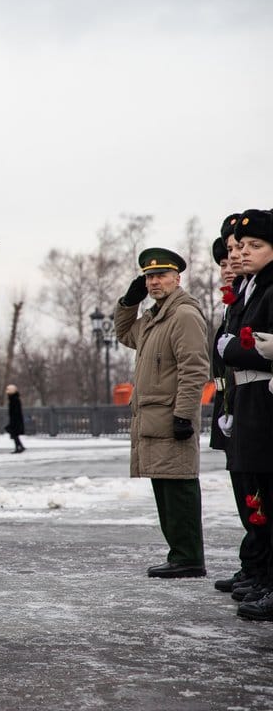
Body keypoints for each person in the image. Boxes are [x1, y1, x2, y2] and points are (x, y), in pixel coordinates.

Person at [114, 246, 211, 579]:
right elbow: (126, 335)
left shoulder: (183, 314)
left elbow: (195, 367)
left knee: (180, 486)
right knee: (165, 486)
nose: (154, 282)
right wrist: (128, 303)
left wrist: (184, 413)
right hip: (155, 418)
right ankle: (180, 554)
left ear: (177, 278)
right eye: (149, 277)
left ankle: (188, 557)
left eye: (161, 275)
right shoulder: (156, 316)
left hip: (171, 417)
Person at [217, 210, 273, 619]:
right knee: (256, 491)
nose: (241, 254)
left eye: (253, 246)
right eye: (238, 247)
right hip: (246, 396)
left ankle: (266, 576)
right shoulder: (251, 287)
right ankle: (261, 573)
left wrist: (233, 348)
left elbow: (242, 346)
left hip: (263, 395)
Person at [5, 385, 25, 453]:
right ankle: (20, 447)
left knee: (13, 433)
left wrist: (13, 420)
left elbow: (15, 411)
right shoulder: (13, 399)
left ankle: (19, 447)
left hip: (15, 420)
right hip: (15, 419)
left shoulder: (14, 399)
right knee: (14, 433)